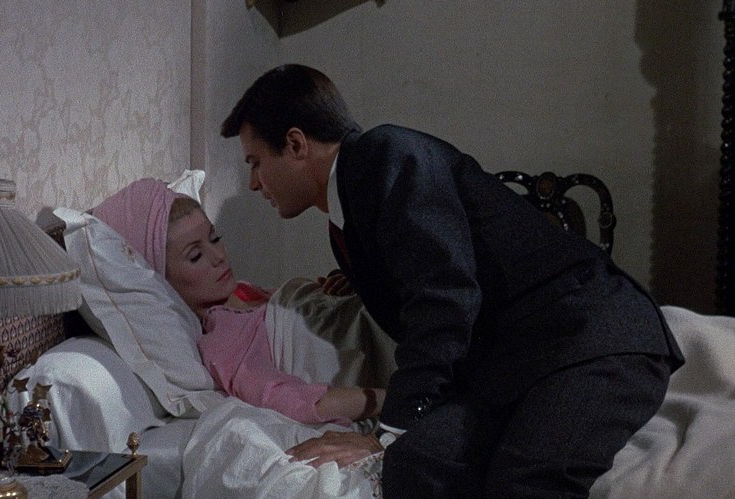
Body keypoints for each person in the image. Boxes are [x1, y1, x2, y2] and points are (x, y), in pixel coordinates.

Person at [219, 63, 685, 497]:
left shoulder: (388, 154)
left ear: (296, 144)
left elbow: (445, 298)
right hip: (513, 365)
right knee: (416, 463)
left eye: (255, 162)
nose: (255, 183)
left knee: (524, 481)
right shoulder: (348, 216)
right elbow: (428, 261)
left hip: (587, 336)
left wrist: (387, 432)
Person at [92, 178, 385, 426]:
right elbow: (296, 402)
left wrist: (346, 288)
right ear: (163, 281)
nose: (218, 256)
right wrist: (394, 400)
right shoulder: (222, 340)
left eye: (214, 238)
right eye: (195, 256)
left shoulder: (242, 292)